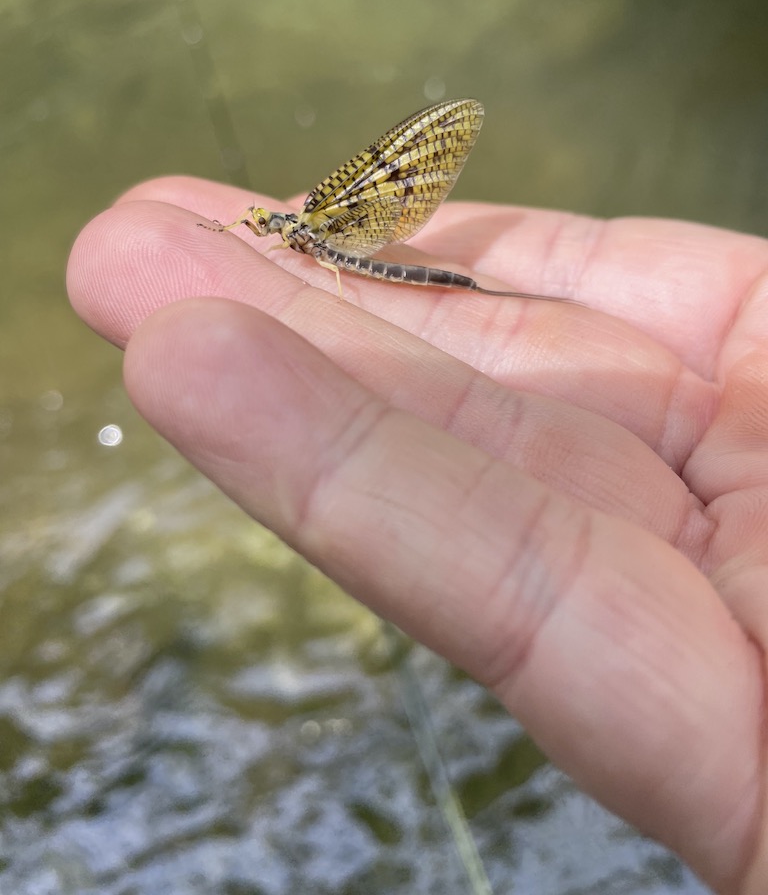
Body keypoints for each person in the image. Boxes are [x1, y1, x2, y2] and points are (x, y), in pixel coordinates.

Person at [66, 175, 768, 895]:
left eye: (269, 229)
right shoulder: (308, 232)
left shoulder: (315, 234)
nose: (269, 232)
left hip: (379, 264)